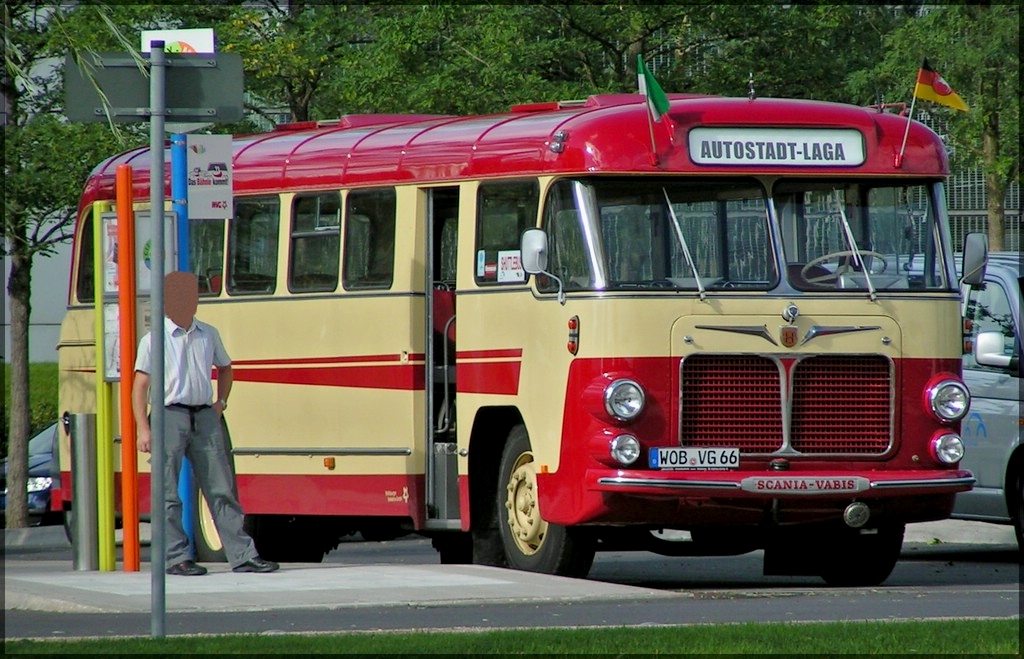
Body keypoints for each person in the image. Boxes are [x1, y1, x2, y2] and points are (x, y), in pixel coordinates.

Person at [132, 271, 278, 576]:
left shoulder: (208, 334)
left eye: (189, 296)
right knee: (168, 491)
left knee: (221, 486)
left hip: (204, 415)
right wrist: (143, 429)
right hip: (167, 414)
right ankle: (175, 558)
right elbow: (140, 387)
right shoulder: (153, 340)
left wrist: (221, 404)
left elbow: (226, 368)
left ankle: (242, 555)